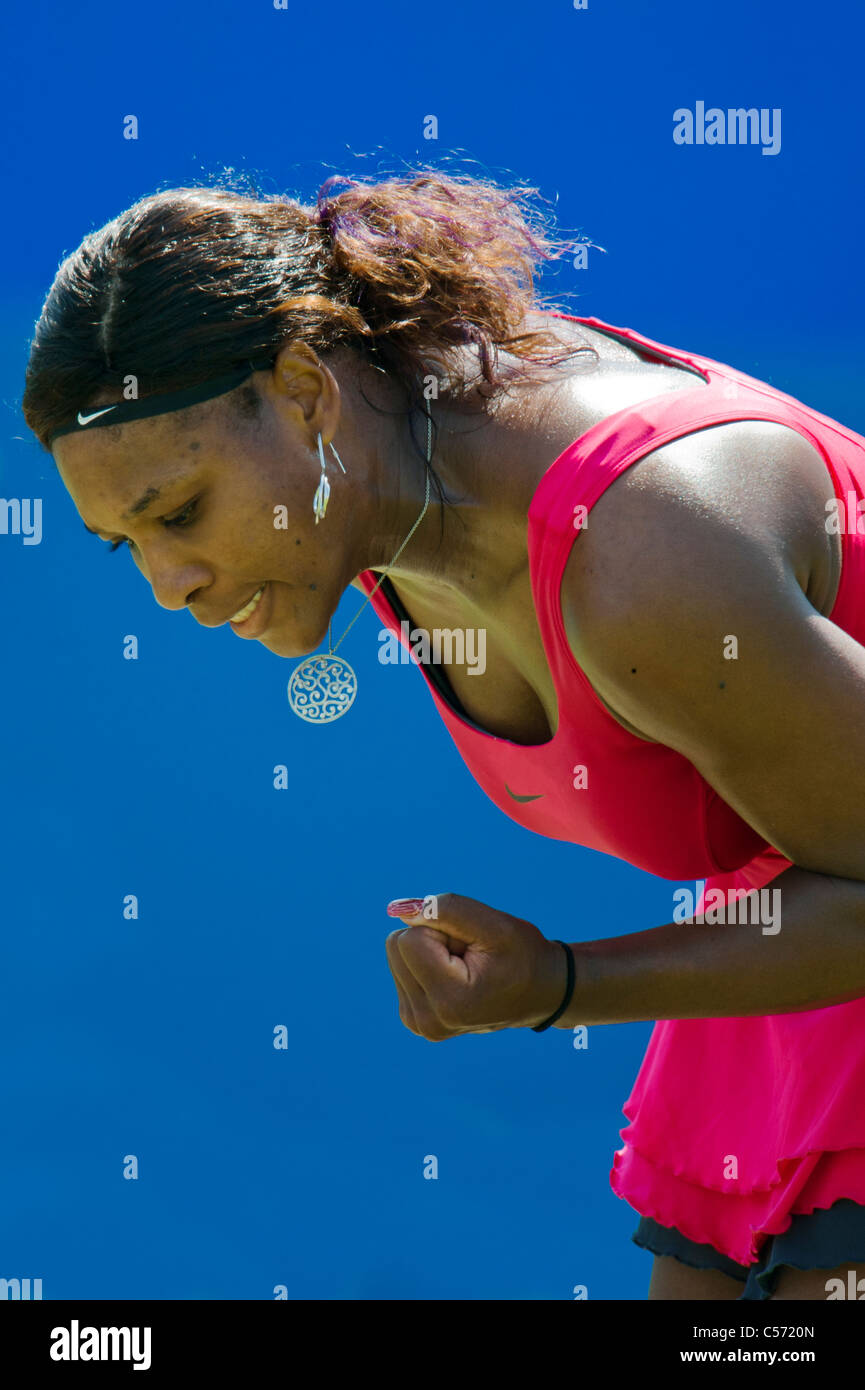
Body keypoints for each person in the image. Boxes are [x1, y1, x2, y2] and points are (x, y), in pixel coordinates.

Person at [23, 172, 865, 1301]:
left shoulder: (642, 554)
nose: (171, 587)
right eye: (127, 545)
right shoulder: (381, 476)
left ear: (305, 392)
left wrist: (563, 982)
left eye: (179, 512)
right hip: (799, 967)